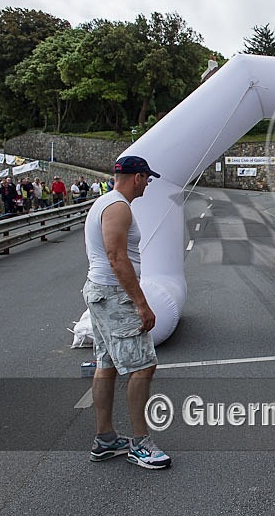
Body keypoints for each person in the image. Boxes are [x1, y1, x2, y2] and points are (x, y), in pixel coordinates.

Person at [82, 155, 170, 470]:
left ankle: (105, 440)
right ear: (137, 177)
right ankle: (140, 443)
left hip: (101, 293)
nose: (148, 183)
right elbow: (116, 256)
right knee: (143, 367)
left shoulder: (105, 202)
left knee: (106, 364)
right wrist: (141, 303)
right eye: (147, 178)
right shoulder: (119, 207)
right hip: (115, 296)